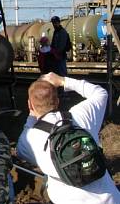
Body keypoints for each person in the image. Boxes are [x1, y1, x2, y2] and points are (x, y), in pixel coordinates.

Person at [16, 72, 120, 203]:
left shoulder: (29, 139)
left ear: (30, 105)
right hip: (111, 199)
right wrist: (63, 80)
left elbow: (20, 152)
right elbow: (100, 93)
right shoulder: (80, 114)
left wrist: (31, 117)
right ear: (57, 101)